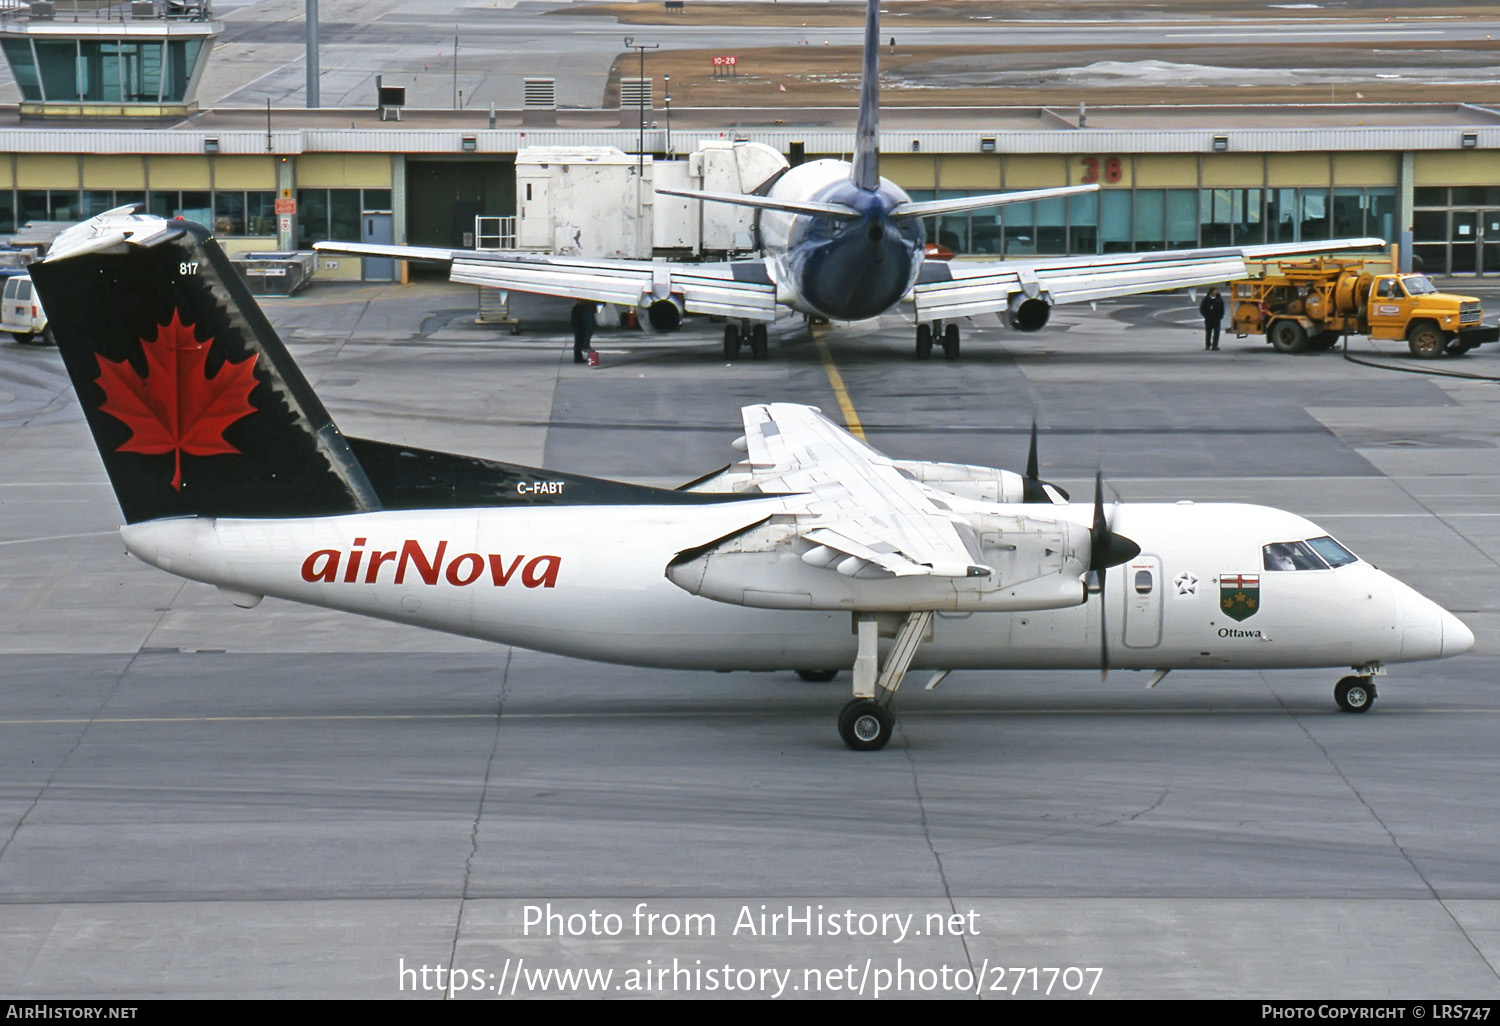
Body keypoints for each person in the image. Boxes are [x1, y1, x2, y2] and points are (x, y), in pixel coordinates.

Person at [570, 299, 595, 364]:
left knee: (579, 334)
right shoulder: (586, 306)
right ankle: (585, 345)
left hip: (579, 310)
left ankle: (578, 357)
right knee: (588, 328)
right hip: (585, 308)